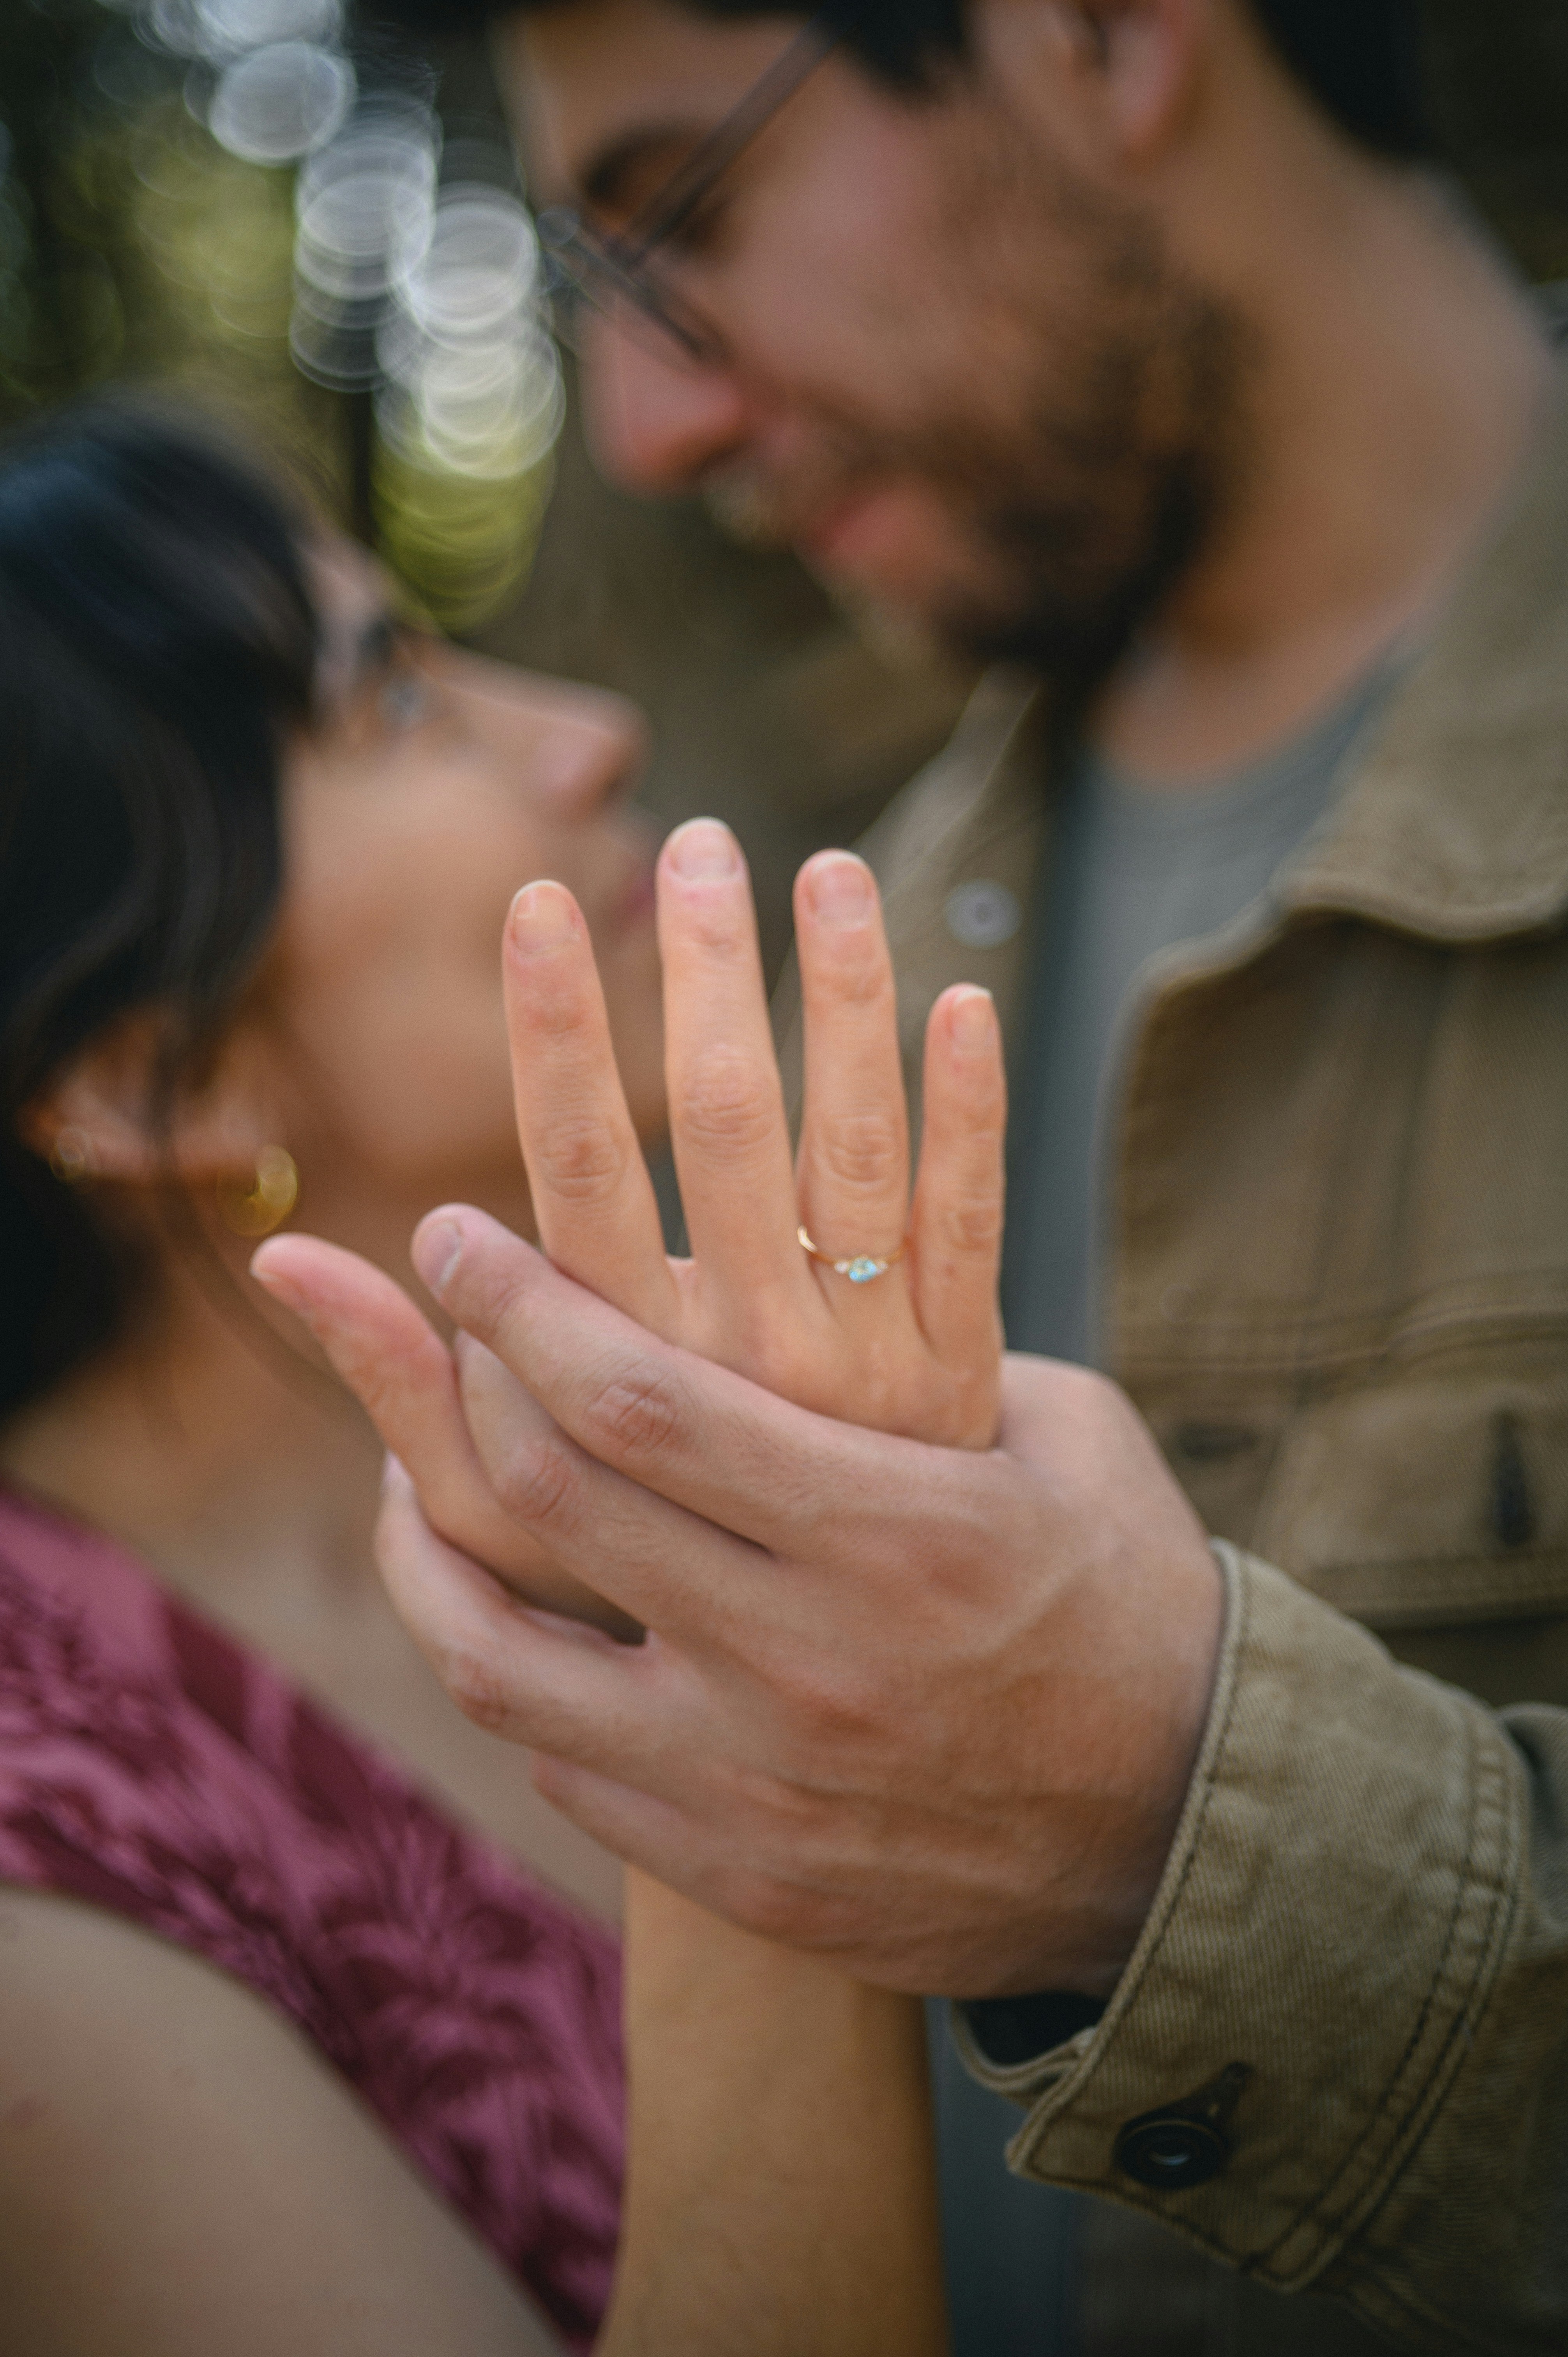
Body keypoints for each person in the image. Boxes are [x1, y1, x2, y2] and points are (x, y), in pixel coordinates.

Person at [268, 2, 1568, 2350]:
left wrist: (1169, 1827)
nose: (652, 426)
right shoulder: (853, 944)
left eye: (690, 216)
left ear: (1100, 35)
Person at [0, 399, 967, 2355]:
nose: (586, 730)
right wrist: (770, 1724)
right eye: (394, 708)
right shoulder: (46, 1869)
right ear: (135, 1076)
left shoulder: (603, 1446)